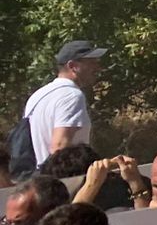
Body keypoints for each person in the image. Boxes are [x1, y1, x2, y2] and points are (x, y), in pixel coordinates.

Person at [16, 41, 106, 175]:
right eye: (91, 63)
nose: (98, 68)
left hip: (42, 178)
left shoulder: (38, 96)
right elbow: (59, 147)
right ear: (72, 66)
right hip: (66, 180)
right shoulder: (72, 95)